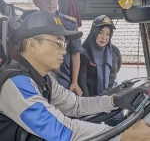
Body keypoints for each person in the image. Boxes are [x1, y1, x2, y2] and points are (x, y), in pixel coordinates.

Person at [0, 11, 150, 141]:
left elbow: (76, 105)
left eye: (64, 44)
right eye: (58, 43)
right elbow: (60, 131)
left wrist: (114, 101)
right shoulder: (16, 83)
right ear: (32, 44)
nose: (64, 51)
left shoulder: (46, 79)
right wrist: (122, 137)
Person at [33, 0, 83, 96]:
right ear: (36, 1)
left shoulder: (69, 23)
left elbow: (75, 53)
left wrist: (74, 82)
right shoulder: (30, 23)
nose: (51, 2)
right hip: (35, 78)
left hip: (63, 78)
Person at [78, 15, 124, 126]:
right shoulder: (84, 53)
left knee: (119, 126)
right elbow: (82, 83)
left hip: (111, 98)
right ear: (94, 32)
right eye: (101, 32)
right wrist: (90, 105)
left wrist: (109, 95)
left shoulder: (114, 51)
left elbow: (115, 71)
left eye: (108, 34)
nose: (104, 37)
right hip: (91, 99)